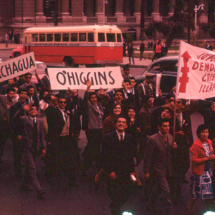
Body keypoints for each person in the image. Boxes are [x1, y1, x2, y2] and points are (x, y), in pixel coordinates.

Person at [102, 115, 136, 215]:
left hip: (125, 172)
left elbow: (131, 155)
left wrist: (132, 171)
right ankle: (115, 210)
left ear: (126, 125)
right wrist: (109, 171)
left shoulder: (130, 138)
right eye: (119, 122)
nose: (121, 124)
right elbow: (104, 156)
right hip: (113, 172)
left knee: (127, 192)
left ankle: (115, 205)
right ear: (116, 124)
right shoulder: (108, 138)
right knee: (114, 194)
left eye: (123, 122)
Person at [144, 118, 177, 215]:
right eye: (165, 126)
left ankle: (150, 205)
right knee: (166, 191)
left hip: (168, 168)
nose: (167, 128)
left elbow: (170, 154)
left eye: (168, 126)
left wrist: (174, 148)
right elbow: (147, 157)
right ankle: (170, 211)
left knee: (158, 189)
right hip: (157, 169)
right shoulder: (153, 139)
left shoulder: (170, 137)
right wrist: (146, 171)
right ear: (159, 127)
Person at [45, 95, 78, 187]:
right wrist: (51, 105)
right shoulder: (54, 111)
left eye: (64, 102)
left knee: (71, 159)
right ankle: (49, 176)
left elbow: (76, 102)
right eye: (61, 102)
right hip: (57, 139)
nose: (63, 104)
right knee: (55, 158)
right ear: (58, 103)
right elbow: (47, 113)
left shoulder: (68, 112)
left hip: (67, 139)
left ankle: (71, 180)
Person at [19, 105, 46, 198]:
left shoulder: (39, 121)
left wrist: (43, 147)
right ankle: (39, 190)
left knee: (29, 168)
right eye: (31, 109)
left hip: (36, 147)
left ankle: (24, 185)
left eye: (35, 109)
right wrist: (22, 109)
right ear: (28, 111)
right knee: (32, 168)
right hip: (26, 147)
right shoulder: (25, 119)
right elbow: (15, 118)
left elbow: (42, 135)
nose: (34, 111)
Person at [187, 124, 215, 214]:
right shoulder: (195, 146)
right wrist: (208, 159)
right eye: (203, 132)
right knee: (196, 195)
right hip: (200, 173)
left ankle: (209, 211)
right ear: (199, 133)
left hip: (208, 172)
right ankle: (189, 210)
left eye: (207, 132)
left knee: (209, 195)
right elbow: (194, 160)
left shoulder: (209, 142)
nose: (205, 134)